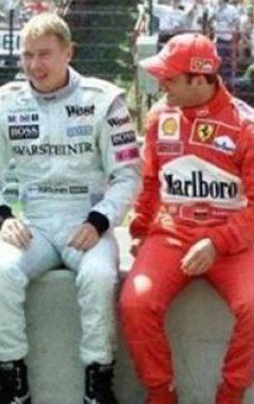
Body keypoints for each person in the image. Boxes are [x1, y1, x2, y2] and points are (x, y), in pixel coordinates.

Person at [0, 12, 141, 404]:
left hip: (88, 220)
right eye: (27, 55)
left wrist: (99, 220)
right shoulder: (4, 103)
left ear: (69, 52)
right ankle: (14, 383)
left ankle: (98, 383)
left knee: (99, 276)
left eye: (45, 54)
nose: (35, 65)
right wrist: (3, 217)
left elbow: (128, 175)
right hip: (35, 222)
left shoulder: (104, 100)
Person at [119, 33, 254, 404]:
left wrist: (217, 242)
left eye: (170, 77)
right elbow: (149, 183)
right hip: (171, 235)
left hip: (231, 243)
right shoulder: (160, 116)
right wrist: (139, 229)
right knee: (135, 303)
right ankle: (161, 395)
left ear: (200, 79)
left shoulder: (245, 127)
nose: (161, 84)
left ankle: (230, 396)